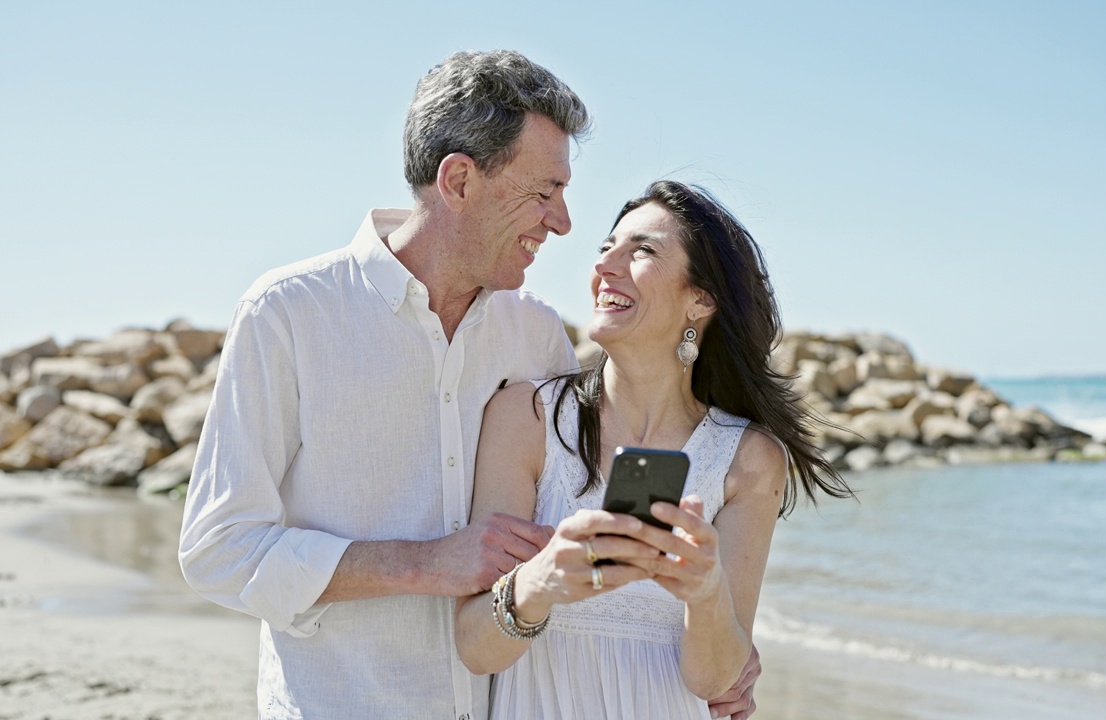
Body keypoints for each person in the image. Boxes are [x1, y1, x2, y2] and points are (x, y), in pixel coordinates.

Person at [178, 51, 760, 719]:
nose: (564, 223)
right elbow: (218, 549)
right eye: (544, 192)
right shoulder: (287, 314)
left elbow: (597, 504)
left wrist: (726, 632)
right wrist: (426, 563)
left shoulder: (535, 337)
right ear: (458, 180)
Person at [454, 181, 852, 719]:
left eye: (641, 250)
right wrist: (542, 579)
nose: (606, 266)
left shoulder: (747, 460)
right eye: (605, 249)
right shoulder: (526, 419)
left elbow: (714, 682)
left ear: (701, 299)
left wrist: (705, 589)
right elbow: (475, 648)